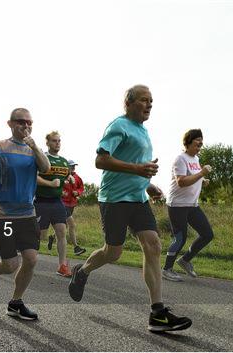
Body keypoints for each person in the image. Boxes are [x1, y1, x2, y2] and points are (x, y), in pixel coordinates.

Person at [68, 85, 192, 332]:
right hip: (114, 199)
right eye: (144, 100)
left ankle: (157, 313)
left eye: (152, 101)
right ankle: (82, 270)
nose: (149, 105)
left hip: (137, 199)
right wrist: (138, 170)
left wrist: (148, 185)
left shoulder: (144, 132)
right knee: (113, 252)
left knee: (153, 244)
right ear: (129, 102)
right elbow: (100, 160)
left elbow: (137, 166)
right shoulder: (118, 126)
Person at [0, 107, 50, 320]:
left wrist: (35, 147)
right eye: (21, 122)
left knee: (31, 259)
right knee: (10, 265)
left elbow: (45, 168)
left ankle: (15, 303)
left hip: (27, 213)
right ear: (10, 123)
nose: (25, 126)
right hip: (4, 215)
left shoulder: (34, 149)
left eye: (29, 122)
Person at [162, 129, 214, 281]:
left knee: (207, 234)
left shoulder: (196, 159)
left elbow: (192, 177)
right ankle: (167, 269)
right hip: (177, 205)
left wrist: (202, 181)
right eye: (197, 141)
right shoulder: (180, 159)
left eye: (201, 142)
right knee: (180, 238)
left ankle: (185, 260)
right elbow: (181, 181)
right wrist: (202, 174)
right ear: (188, 142)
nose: (200, 144)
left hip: (192, 204)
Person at [35, 131, 72, 277]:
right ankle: (26, 260)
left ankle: (62, 266)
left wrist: (69, 178)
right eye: (54, 141)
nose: (57, 143)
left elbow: (64, 175)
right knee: (40, 236)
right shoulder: (42, 158)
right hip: (41, 202)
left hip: (57, 203)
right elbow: (33, 177)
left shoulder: (64, 161)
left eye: (59, 141)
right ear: (48, 143)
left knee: (62, 232)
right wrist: (50, 183)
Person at [61, 160, 87, 255]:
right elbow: (57, 186)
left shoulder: (77, 178)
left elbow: (81, 188)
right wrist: (61, 192)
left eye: (74, 166)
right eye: (71, 166)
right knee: (72, 225)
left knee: (63, 226)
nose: (73, 167)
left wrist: (78, 192)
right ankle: (76, 247)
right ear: (67, 167)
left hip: (72, 204)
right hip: (63, 204)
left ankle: (52, 237)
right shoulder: (62, 176)